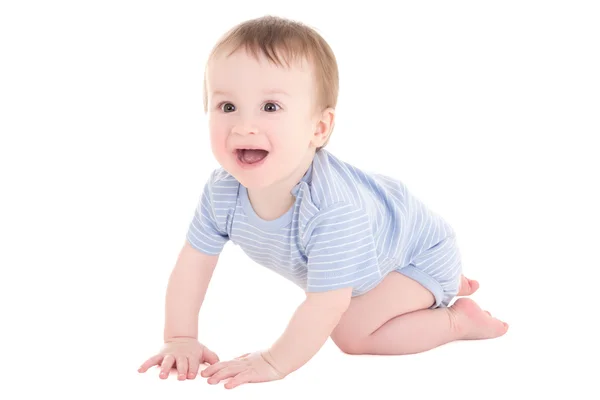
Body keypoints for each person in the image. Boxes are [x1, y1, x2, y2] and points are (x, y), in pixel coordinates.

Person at [138, 15, 508, 389]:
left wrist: (273, 362)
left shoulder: (332, 210)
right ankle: (432, 287)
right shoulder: (221, 191)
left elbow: (326, 304)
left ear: (319, 128)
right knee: (350, 289)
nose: (243, 125)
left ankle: (458, 318)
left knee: (351, 332)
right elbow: (192, 265)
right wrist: (180, 336)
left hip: (420, 255)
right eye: (227, 106)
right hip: (382, 247)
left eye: (270, 107)